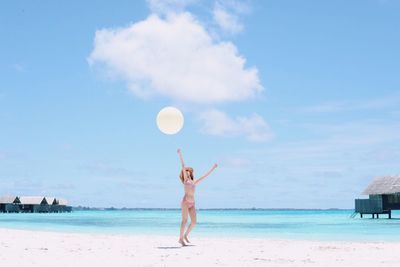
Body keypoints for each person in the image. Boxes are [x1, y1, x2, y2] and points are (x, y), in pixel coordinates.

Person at [177, 148, 218, 246]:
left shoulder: (194, 182)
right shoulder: (185, 181)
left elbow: (204, 176)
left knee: (194, 222)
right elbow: (183, 165)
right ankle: (180, 238)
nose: (187, 172)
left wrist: (213, 168)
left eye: (188, 171)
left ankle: (186, 235)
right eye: (185, 172)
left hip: (192, 203)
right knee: (184, 221)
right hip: (186, 202)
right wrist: (180, 154)